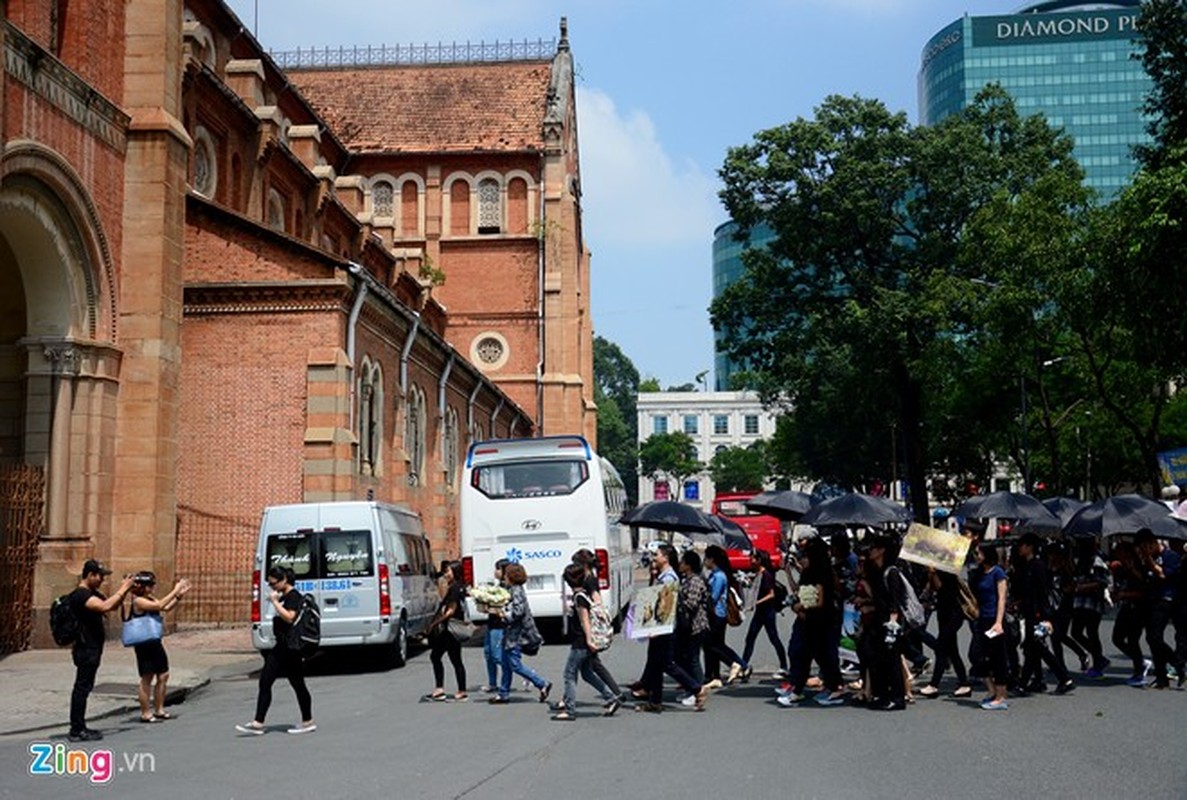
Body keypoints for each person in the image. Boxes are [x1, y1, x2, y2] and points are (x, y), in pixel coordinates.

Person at [236, 566, 316, 734]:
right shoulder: (285, 596)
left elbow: (289, 617)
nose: (272, 587)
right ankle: (260, 722)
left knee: (280, 682)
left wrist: (274, 602)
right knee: (279, 682)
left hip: (288, 647)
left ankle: (305, 721)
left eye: (273, 584)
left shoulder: (293, 596)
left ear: (284, 580)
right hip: (284, 646)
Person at [635, 544, 709, 712]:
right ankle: (655, 701)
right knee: (655, 663)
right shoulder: (663, 576)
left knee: (667, 664)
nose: (654, 558)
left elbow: (664, 607)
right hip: (661, 627)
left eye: (657, 555)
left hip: (665, 628)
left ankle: (697, 689)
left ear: (666, 558)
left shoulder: (669, 578)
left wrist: (654, 629)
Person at [68, 560, 135, 741]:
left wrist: (125, 590)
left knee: (84, 687)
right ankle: (76, 730)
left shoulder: (92, 593)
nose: (102, 580)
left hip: (92, 648)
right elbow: (104, 607)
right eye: (100, 576)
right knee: (82, 688)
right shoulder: (81, 595)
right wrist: (123, 589)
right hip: (86, 648)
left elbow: (111, 605)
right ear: (90, 575)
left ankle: (80, 726)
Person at [778, 535, 845, 706]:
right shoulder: (812, 572)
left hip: (820, 620)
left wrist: (800, 607)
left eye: (805, 555)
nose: (802, 559)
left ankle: (829, 688)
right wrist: (788, 572)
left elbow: (818, 600)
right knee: (807, 653)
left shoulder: (821, 573)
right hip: (812, 620)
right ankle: (799, 688)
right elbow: (802, 592)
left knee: (818, 654)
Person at [554, 563, 620, 720]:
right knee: (587, 673)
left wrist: (590, 641)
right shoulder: (584, 595)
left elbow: (585, 622)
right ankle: (611, 698)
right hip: (585, 642)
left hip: (581, 642)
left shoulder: (579, 598)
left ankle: (569, 710)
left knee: (569, 674)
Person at [126, 571, 192, 722]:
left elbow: (166, 608)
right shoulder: (138, 601)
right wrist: (174, 590)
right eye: (149, 585)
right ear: (142, 587)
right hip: (144, 643)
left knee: (163, 675)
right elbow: (159, 605)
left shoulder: (149, 598)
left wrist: (179, 596)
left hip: (155, 641)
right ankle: (145, 712)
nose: (152, 588)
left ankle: (159, 709)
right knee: (147, 677)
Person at [1015, 533, 1073, 695]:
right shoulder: (1027, 565)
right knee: (1032, 648)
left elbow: (1042, 592)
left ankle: (1064, 678)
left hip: (1038, 613)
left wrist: (1045, 617)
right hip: (1029, 611)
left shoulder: (1038, 566)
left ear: (1030, 547)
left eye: (1022, 545)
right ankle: (1034, 681)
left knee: (1036, 647)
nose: (1019, 548)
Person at [490, 563, 551, 704]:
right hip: (511, 633)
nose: (504, 576)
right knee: (505, 663)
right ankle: (503, 693)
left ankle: (542, 683)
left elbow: (518, 611)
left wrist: (504, 615)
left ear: (511, 577)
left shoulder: (516, 590)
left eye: (506, 574)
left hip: (516, 635)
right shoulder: (513, 589)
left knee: (514, 664)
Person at [571, 549, 624, 700]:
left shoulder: (589, 580)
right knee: (592, 666)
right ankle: (616, 693)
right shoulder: (588, 578)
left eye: (576, 564)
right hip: (587, 627)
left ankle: (615, 694)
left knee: (582, 667)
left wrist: (594, 613)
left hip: (590, 627)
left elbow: (597, 600)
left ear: (583, 565)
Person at [1135, 530, 1185, 689]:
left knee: (1155, 637)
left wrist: (1148, 558)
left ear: (1153, 543)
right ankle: (1161, 677)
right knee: (1152, 639)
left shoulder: (1171, 557)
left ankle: (1177, 663)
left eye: (1146, 546)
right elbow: (1145, 578)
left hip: (1167, 600)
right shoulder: (1147, 560)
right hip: (1152, 600)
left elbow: (1163, 575)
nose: (1145, 550)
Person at [865, 537, 909, 711]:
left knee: (892, 660)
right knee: (878, 658)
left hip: (891, 624)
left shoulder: (892, 572)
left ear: (882, 550)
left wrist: (893, 623)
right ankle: (883, 695)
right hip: (878, 621)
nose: (870, 551)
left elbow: (894, 600)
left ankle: (898, 698)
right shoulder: (877, 571)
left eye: (873, 548)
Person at [916, 567, 972, 699]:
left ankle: (934, 685)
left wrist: (934, 573)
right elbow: (934, 590)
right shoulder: (936, 570)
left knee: (941, 648)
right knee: (952, 650)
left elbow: (943, 590)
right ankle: (964, 684)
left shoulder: (949, 571)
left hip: (953, 614)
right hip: (943, 614)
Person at [969, 543, 1010, 711]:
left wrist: (999, 622)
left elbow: (1002, 598)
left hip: (995, 619)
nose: (976, 555)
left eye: (978, 553)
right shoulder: (979, 573)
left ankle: (1001, 696)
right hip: (982, 619)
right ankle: (992, 690)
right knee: (979, 656)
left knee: (998, 658)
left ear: (987, 554)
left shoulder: (998, 572)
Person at [739, 548, 787, 680]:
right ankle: (744, 666)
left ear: (759, 560)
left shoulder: (766, 574)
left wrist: (756, 602)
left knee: (773, 638)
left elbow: (771, 594)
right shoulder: (758, 573)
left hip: (767, 612)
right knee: (750, 638)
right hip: (761, 612)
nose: (751, 560)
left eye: (753, 558)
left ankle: (784, 666)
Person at [424, 561, 469, 701]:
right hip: (450, 629)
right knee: (443, 657)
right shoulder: (457, 586)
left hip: (450, 629)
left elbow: (451, 611)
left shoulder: (455, 588)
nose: (446, 574)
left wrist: (434, 624)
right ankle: (443, 689)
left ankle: (457, 691)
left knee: (448, 658)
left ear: (455, 571)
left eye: (448, 571)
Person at [703, 545, 746, 686]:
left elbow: (713, 597)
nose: (704, 561)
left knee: (713, 645)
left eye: (706, 558)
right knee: (714, 646)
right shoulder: (714, 574)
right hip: (714, 614)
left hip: (717, 614)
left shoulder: (719, 576)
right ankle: (714, 676)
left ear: (712, 559)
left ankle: (736, 663)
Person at [1109, 541, 1150, 687]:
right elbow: (1118, 587)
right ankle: (1140, 662)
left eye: (1120, 551)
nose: (1117, 554)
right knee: (1117, 638)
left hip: (1138, 608)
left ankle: (1139, 673)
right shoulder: (1120, 568)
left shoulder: (1139, 566)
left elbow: (1143, 589)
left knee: (1133, 640)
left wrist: (1125, 593)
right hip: (1126, 607)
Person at [675, 550, 711, 703]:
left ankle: (697, 689)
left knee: (693, 658)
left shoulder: (695, 581)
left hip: (696, 625)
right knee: (686, 657)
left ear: (688, 565)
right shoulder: (687, 579)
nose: (680, 564)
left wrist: (677, 599)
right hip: (688, 626)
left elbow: (692, 604)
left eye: (682, 562)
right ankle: (692, 688)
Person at [1070, 537, 1110, 678]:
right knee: (1076, 632)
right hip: (1080, 602)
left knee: (1092, 633)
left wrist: (1083, 587)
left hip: (1093, 603)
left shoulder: (1097, 561)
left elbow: (1101, 582)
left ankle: (1098, 663)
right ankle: (1099, 657)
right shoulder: (1082, 561)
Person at [481, 559, 510, 694]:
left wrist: (493, 609)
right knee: (488, 654)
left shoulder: (507, 588)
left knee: (498, 656)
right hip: (491, 624)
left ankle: (524, 674)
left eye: (498, 569)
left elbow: (505, 609)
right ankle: (492, 683)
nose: (495, 572)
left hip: (500, 626)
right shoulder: (497, 586)